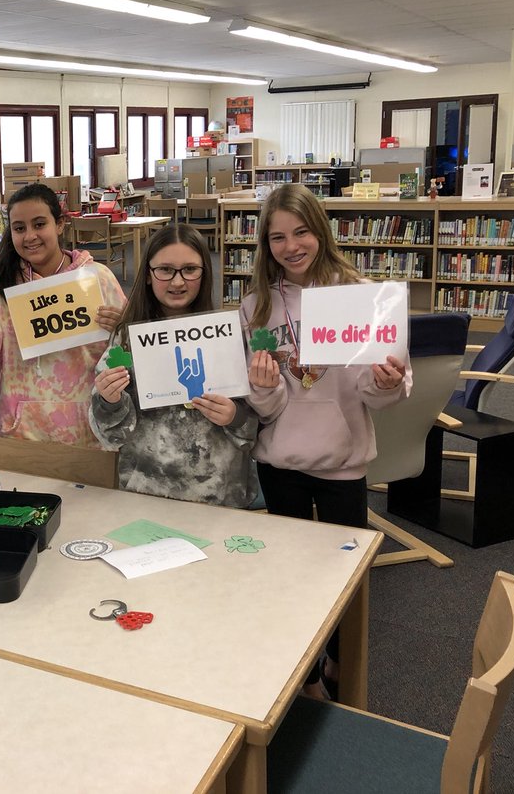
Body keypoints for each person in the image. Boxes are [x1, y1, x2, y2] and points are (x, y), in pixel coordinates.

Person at [239, 184, 410, 699]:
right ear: (265, 245)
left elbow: (377, 392)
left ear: (321, 230)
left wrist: (385, 383)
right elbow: (262, 408)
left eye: (301, 232)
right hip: (280, 459)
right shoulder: (257, 307)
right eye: (277, 238)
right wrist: (264, 391)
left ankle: (339, 662)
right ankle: (308, 676)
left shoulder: (363, 296)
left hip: (342, 462)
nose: (291, 247)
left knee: (343, 577)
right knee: (290, 576)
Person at [89, 224, 257, 506]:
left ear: (205, 274)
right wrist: (109, 400)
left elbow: (255, 420)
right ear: (147, 276)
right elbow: (109, 436)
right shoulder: (127, 340)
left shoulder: (228, 335)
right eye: (165, 270)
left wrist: (235, 416)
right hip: (147, 491)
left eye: (190, 270)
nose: (178, 282)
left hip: (219, 495)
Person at [0, 182, 126, 445]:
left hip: (84, 433)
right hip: (21, 433)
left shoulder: (97, 279)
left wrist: (122, 329)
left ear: (60, 224)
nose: (29, 236)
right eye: (19, 228)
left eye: (39, 224)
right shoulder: (1, 285)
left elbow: (121, 358)